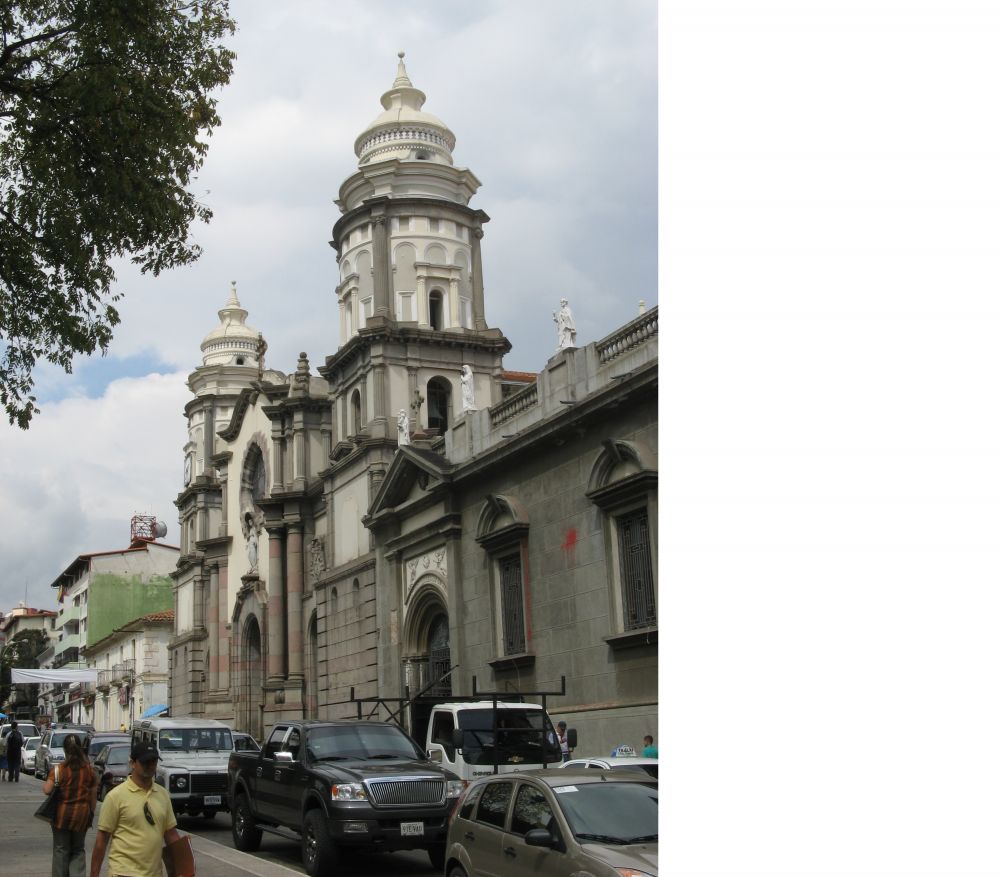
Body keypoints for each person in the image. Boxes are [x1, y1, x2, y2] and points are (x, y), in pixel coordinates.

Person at [90, 741, 182, 877]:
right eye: (145, 762)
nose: (150, 766)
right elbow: (102, 840)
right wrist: (94, 874)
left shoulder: (162, 795)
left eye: (154, 762)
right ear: (133, 763)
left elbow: (171, 835)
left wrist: (183, 867)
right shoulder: (115, 797)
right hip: (123, 873)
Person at [44, 732, 97, 877]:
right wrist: (91, 813)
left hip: (61, 816)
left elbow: (47, 790)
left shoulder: (58, 770)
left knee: (61, 849)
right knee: (78, 849)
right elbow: (93, 796)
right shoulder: (89, 770)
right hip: (82, 815)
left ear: (64, 750)